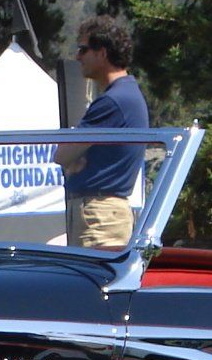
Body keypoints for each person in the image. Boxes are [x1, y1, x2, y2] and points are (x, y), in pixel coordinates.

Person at [53, 15, 148, 249]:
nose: (78, 57)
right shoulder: (125, 95)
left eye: (83, 49)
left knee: (94, 283)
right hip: (105, 213)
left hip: (99, 216)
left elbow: (61, 156)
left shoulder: (112, 102)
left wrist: (74, 161)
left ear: (102, 53)